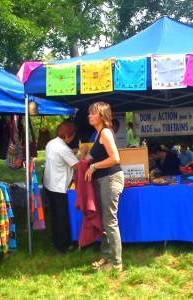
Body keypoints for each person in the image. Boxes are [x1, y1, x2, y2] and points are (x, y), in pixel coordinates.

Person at [84, 102, 124, 272]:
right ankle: (106, 256)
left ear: (101, 115)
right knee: (106, 220)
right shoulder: (99, 133)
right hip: (104, 179)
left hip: (110, 178)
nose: (89, 116)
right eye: (89, 113)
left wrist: (93, 167)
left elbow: (115, 158)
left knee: (110, 221)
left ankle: (116, 263)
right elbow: (93, 156)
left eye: (93, 113)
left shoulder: (106, 132)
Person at [43, 120, 86, 252]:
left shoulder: (52, 143)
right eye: (72, 136)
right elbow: (77, 166)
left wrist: (72, 151)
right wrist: (83, 153)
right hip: (59, 187)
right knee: (62, 217)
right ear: (67, 135)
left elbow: (63, 155)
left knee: (55, 216)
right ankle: (63, 245)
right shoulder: (62, 148)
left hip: (49, 184)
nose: (73, 138)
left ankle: (55, 241)